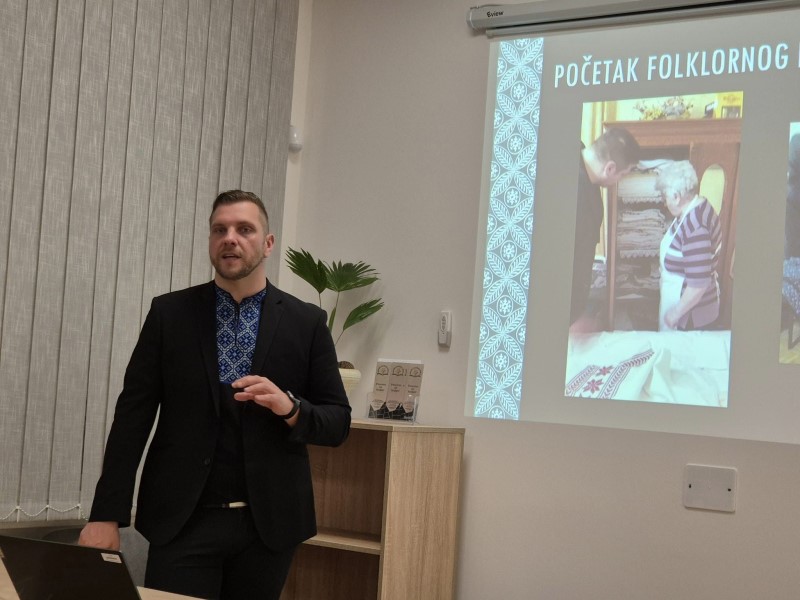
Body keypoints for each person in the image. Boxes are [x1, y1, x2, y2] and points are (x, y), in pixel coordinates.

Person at [78, 190, 351, 600]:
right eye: (219, 230)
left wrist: (290, 407)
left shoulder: (307, 322)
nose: (230, 238)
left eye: (244, 229)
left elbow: (338, 422)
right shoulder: (169, 314)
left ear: (268, 243)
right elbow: (132, 418)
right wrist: (106, 515)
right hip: (182, 523)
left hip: (269, 527)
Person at [571, 127, 641, 333]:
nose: (619, 181)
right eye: (623, 174)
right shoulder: (574, 194)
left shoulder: (578, 154)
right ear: (610, 168)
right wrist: (573, 318)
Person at [655, 161, 722, 331]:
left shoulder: (695, 227)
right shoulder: (699, 206)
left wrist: (674, 314)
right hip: (683, 308)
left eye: (665, 197)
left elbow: (698, 285)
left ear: (676, 196)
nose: (665, 203)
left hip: (690, 318)